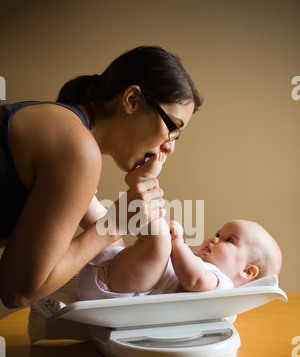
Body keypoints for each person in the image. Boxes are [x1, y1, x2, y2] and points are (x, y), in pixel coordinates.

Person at [0, 46, 201, 308]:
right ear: (131, 100)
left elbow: (112, 253)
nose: (170, 146)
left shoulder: (66, 129)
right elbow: (18, 291)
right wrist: (114, 223)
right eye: (172, 127)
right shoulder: (77, 149)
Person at [76, 155, 282, 301]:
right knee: (111, 234)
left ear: (247, 271)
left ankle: (143, 184)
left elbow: (193, 279)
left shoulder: (222, 286)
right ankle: (81, 194)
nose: (215, 239)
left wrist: (177, 243)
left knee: (160, 241)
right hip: (119, 277)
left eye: (229, 240)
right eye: (219, 234)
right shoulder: (198, 262)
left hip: (120, 292)